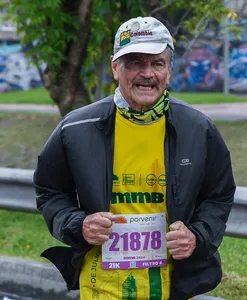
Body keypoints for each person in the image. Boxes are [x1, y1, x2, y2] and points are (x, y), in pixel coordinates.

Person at [34, 16, 235, 300]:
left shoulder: (198, 129)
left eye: (157, 63)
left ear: (170, 69)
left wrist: (197, 236)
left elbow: (219, 194)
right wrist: (79, 224)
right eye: (135, 63)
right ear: (116, 68)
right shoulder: (76, 128)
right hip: (101, 285)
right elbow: (50, 191)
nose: (147, 73)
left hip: (172, 286)